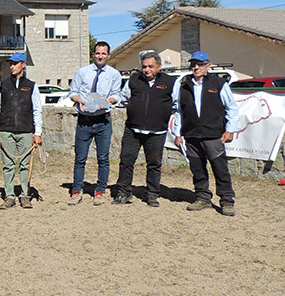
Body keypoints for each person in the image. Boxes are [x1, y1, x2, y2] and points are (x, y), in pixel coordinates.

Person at [172, 51, 239, 216]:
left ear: (208, 66)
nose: (196, 67)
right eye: (193, 64)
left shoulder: (219, 83)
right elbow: (179, 111)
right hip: (191, 135)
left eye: (200, 64)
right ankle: (202, 197)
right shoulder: (183, 86)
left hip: (213, 135)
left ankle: (227, 201)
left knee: (220, 169)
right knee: (197, 169)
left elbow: (232, 108)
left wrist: (230, 130)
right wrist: (178, 134)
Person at [113, 51, 176, 207]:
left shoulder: (170, 82)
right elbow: (124, 98)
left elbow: (176, 104)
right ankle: (124, 192)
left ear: (159, 67)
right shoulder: (134, 80)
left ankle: (152, 194)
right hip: (133, 130)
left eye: (150, 66)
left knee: (154, 164)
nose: (147, 70)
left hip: (157, 132)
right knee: (126, 161)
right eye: (144, 67)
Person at [67, 41, 121, 205]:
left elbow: (117, 95)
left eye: (103, 53)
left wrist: (108, 101)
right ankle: (77, 190)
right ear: (93, 54)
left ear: (108, 55)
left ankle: (100, 191)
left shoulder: (114, 74)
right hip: (84, 120)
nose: (100, 56)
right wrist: (79, 100)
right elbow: (73, 92)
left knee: (103, 158)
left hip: (103, 120)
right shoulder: (82, 72)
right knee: (80, 158)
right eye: (98, 53)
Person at [0, 52, 43, 209]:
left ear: (23, 65)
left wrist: (38, 133)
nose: (12, 66)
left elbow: (37, 110)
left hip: (26, 130)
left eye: (15, 63)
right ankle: (9, 196)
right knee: (8, 165)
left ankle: (25, 195)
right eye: (10, 64)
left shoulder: (32, 86)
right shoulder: (2, 85)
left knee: (25, 165)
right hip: (6, 129)